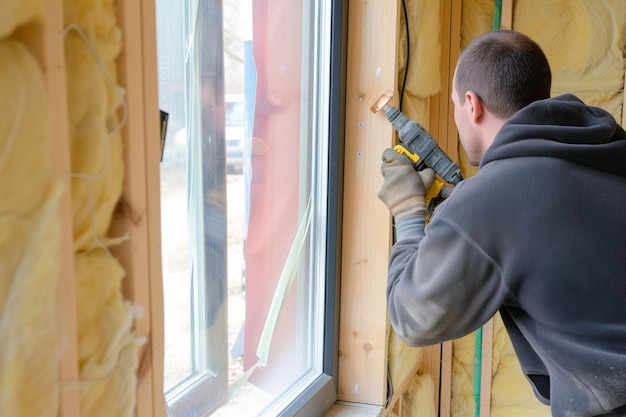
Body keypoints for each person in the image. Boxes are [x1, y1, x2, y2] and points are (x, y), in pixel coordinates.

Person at [377, 30, 626, 417]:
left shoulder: (488, 205)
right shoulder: (605, 145)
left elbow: (412, 318)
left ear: (472, 105)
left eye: (456, 104)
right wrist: (466, 214)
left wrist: (409, 211)